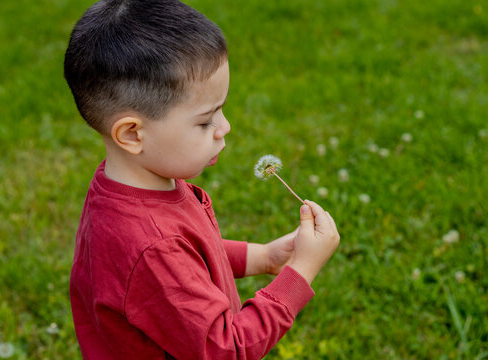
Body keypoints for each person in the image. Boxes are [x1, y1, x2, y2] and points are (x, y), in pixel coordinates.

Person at [63, 0, 340, 358]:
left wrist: (265, 257)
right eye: (205, 120)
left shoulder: (132, 184)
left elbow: (188, 259)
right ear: (132, 134)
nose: (225, 127)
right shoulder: (150, 246)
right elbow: (227, 349)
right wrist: (300, 272)